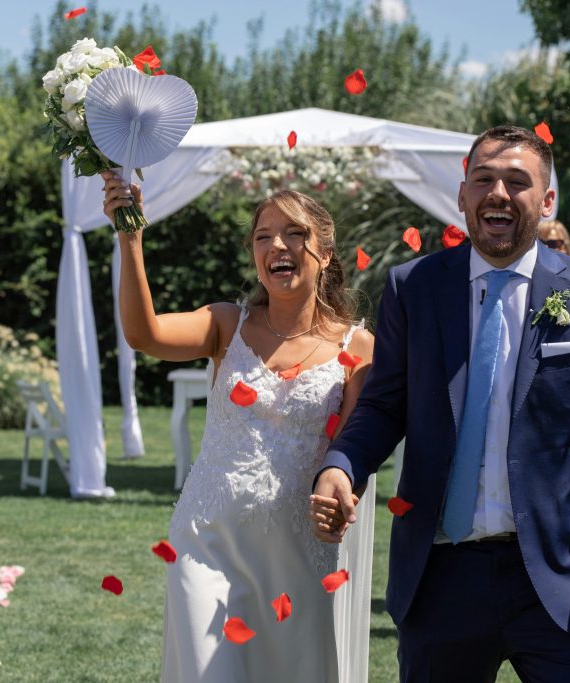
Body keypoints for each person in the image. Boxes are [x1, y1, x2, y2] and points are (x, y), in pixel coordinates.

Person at [310, 125, 570, 682]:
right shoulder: (413, 288)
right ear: (463, 195)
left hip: (566, 577)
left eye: (517, 182)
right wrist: (341, 464)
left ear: (546, 202)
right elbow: (383, 406)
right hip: (442, 578)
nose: (498, 193)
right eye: (484, 180)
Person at [101, 175, 375, 682]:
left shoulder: (358, 350)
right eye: (263, 235)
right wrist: (130, 237)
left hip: (295, 558)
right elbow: (144, 334)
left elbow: (355, 450)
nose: (277, 245)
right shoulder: (227, 324)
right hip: (206, 542)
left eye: (294, 233)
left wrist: (340, 499)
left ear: (326, 252)